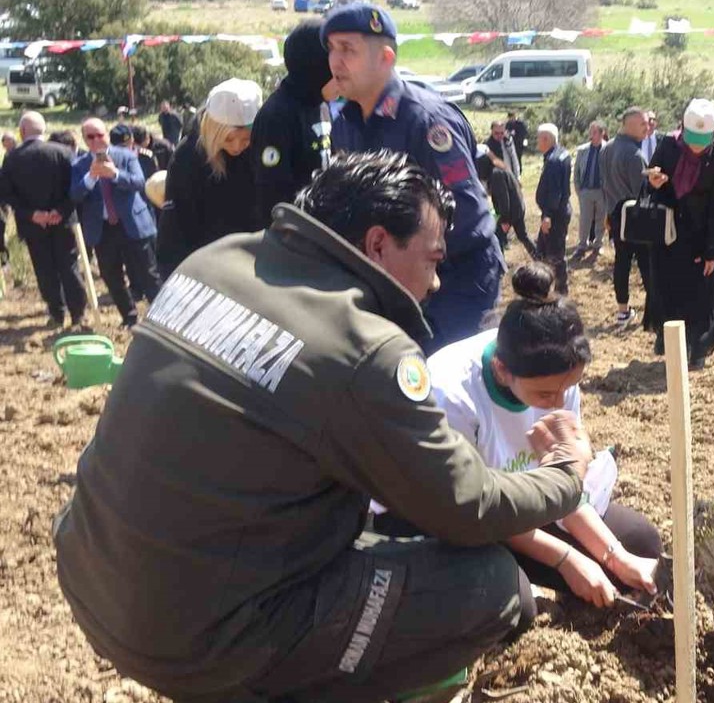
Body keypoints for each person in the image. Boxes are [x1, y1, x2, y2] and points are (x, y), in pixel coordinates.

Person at [54, 151, 594, 703]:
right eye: (433, 260)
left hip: (97, 582)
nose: (434, 284)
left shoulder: (214, 261)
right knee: (494, 587)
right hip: (205, 643)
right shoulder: (363, 349)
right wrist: (565, 475)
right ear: (378, 243)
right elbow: (466, 505)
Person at [425, 262, 663, 607]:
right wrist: (566, 559)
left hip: (530, 509)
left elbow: (563, 488)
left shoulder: (557, 376)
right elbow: (479, 510)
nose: (557, 404)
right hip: (469, 525)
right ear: (502, 372)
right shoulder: (452, 395)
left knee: (639, 542)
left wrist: (614, 556)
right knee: (509, 604)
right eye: (545, 396)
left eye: (568, 389)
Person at [326, 2, 504, 354]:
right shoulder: (345, 123)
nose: (335, 61)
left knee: (441, 385)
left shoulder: (425, 121)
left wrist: (410, 269)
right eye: (331, 48)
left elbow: (467, 218)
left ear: (386, 58)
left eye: (348, 49)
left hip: (455, 281)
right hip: (391, 282)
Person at [645, 99, 714, 369]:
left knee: (702, 292)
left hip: (703, 234)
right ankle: (668, 337)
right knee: (668, 287)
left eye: (702, 140)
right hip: (670, 233)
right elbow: (652, 178)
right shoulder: (669, 145)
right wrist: (654, 180)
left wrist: (711, 251)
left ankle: (699, 346)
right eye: (692, 138)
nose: (696, 145)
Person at [157, 78, 263, 278]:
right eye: (229, 138)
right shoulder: (188, 156)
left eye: (246, 138)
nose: (237, 146)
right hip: (207, 266)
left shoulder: (260, 149)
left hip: (252, 263)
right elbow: (175, 225)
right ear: (213, 130)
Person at [69, 118, 162, 329]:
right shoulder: (79, 165)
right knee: (112, 277)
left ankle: (162, 318)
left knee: (148, 273)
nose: (95, 140)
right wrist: (91, 177)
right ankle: (129, 317)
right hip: (102, 230)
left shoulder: (126, 156)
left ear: (107, 135)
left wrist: (115, 174)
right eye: (89, 137)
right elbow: (74, 195)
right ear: (84, 139)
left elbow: (140, 183)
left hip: (131, 224)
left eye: (99, 135)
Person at [0, 112, 86, 327]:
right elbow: (76, 189)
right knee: (69, 267)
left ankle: (56, 313)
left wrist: (32, 214)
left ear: (22, 132)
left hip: (32, 225)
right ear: (43, 130)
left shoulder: (12, 158)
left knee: (44, 269)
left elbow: (5, 194)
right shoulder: (64, 152)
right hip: (63, 221)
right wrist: (60, 210)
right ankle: (78, 315)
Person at [252, 18, 339, 226]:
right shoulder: (276, 116)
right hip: (296, 240)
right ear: (316, 68)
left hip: (324, 231)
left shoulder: (321, 105)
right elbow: (273, 195)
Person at [601, 106, 651, 327]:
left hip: (614, 215)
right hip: (635, 217)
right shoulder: (634, 155)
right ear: (627, 125)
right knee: (647, 264)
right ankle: (653, 311)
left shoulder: (606, 148)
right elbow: (643, 193)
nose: (647, 128)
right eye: (642, 124)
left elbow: (603, 185)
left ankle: (623, 311)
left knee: (621, 263)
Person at [474, 144, 535, 258]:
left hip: (510, 212)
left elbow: (503, 199)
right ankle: (539, 257)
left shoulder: (496, 174)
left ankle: (499, 266)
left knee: (497, 239)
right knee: (522, 236)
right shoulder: (500, 169)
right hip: (517, 208)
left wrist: (505, 220)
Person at [535, 123, 572, 295]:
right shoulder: (562, 153)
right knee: (543, 249)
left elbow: (554, 191)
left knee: (554, 253)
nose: (537, 142)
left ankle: (560, 290)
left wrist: (547, 216)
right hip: (560, 210)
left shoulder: (554, 161)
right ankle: (547, 284)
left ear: (547, 139)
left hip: (555, 214)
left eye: (539, 138)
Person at [570, 120, 607, 259]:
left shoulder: (607, 149)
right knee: (585, 220)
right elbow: (577, 172)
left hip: (602, 191)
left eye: (595, 132)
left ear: (602, 133)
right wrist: (579, 190)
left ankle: (598, 245)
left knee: (600, 219)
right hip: (586, 191)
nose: (591, 135)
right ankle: (582, 245)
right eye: (590, 131)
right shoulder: (582, 150)